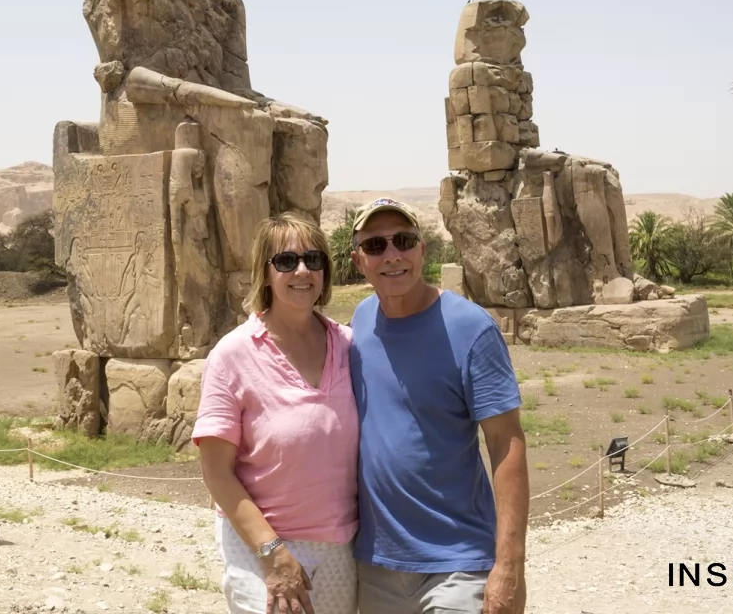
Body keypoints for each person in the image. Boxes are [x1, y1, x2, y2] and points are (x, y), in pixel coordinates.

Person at [346, 198, 529, 614]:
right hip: (377, 566)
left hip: (458, 563)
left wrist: (510, 565)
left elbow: (507, 444)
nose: (392, 255)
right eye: (376, 246)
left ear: (423, 250)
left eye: (404, 241)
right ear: (359, 261)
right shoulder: (360, 321)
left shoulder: (470, 327)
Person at [194, 212, 359, 614]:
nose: (302, 270)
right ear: (265, 274)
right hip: (262, 546)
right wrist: (272, 553)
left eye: (313, 259)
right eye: (286, 261)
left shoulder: (349, 345)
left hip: (341, 545)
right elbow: (217, 473)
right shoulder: (233, 355)